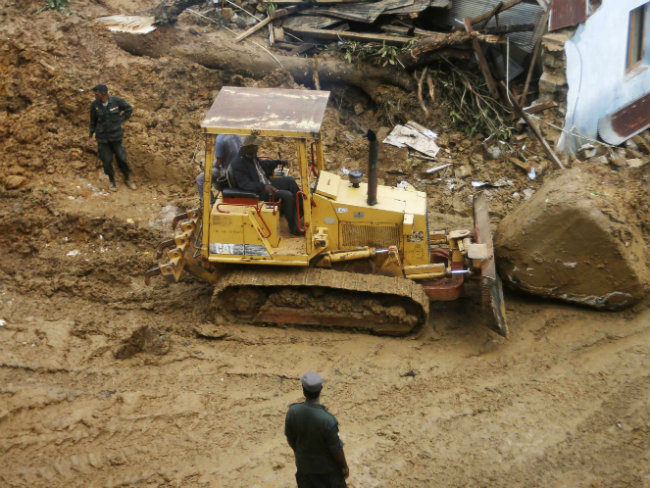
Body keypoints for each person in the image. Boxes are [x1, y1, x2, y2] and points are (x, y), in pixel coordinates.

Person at [285, 372, 350, 488]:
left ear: (303, 390)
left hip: (304, 469)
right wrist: (344, 467)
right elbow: (336, 449)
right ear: (321, 389)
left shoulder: (293, 412)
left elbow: (290, 438)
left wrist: (299, 453)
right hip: (327, 473)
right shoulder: (327, 420)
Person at [229, 135, 304, 236]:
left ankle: (302, 211)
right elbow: (245, 185)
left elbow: (263, 166)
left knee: (290, 181)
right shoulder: (238, 164)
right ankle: (294, 228)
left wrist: (279, 162)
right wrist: (263, 187)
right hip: (258, 192)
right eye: (255, 147)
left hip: (265, 183)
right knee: (287, 195)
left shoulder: (251, 156)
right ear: (248, 147)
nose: (257, 148)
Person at [87, 84, 135, 192]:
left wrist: (121, 119)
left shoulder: (116, 101)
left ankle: (127, 178)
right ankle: (112, 181)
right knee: (107, 161)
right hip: (103, 139)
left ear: (103, 93)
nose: (95, 95)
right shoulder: (94, 105)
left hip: (116, 137)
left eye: (96, 93)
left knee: (122, 158)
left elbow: (129, 109)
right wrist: (90, 136)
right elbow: (92, 121)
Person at [196, 134, 241, 203]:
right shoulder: (236, 135)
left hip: (227, 173)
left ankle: (210, 204)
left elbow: (219, 162)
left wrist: (209, 166)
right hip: (237, 169)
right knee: (213, 167)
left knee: (200, 179)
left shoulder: (220, 140)